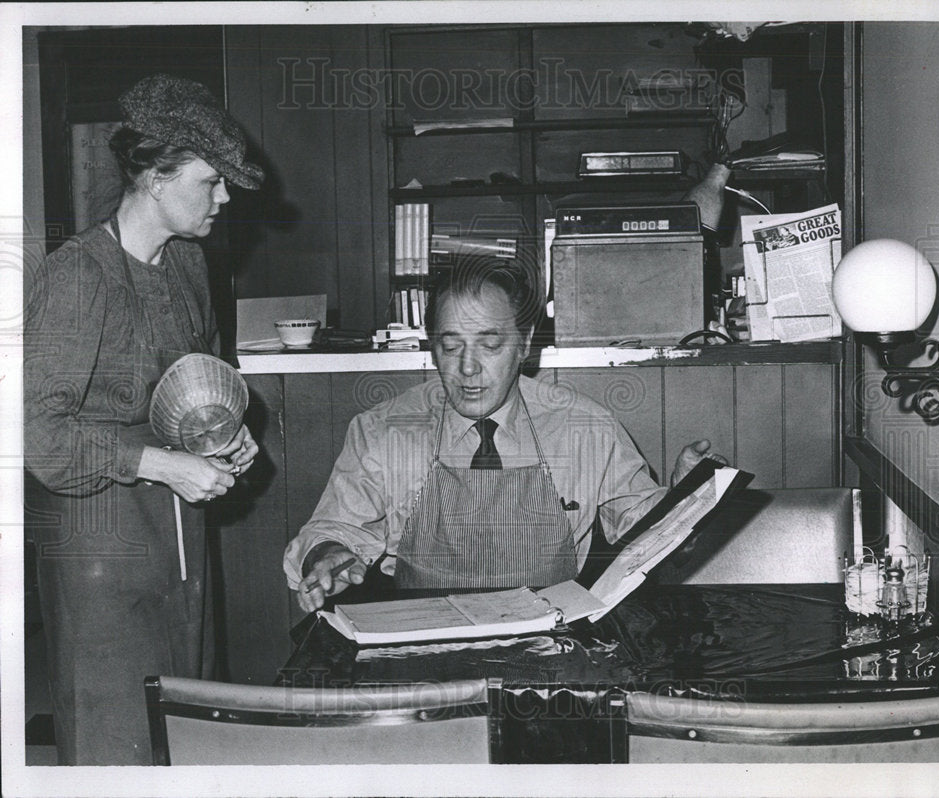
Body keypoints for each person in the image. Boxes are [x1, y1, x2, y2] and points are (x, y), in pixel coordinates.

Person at [23, 74, 262, 765]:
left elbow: (200, 381)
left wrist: (224, 434)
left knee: (187, 731)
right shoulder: (77, 278)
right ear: (157, 178)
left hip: (180, 536)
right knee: (115, 739)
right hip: (100, 543)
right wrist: (161, 464)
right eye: (211, 181)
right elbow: (35, 435)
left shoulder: (188, 264)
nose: (223, 199)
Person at [284, 261, 724, 610]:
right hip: (419, 640)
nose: (468, 368)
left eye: (490, 346)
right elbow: (333, 527)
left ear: (525, 343)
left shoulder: (583, 427)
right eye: (451, 346)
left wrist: (685, 501)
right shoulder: (383, 430)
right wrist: (325, 557)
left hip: (551, 641)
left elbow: (646, 536)